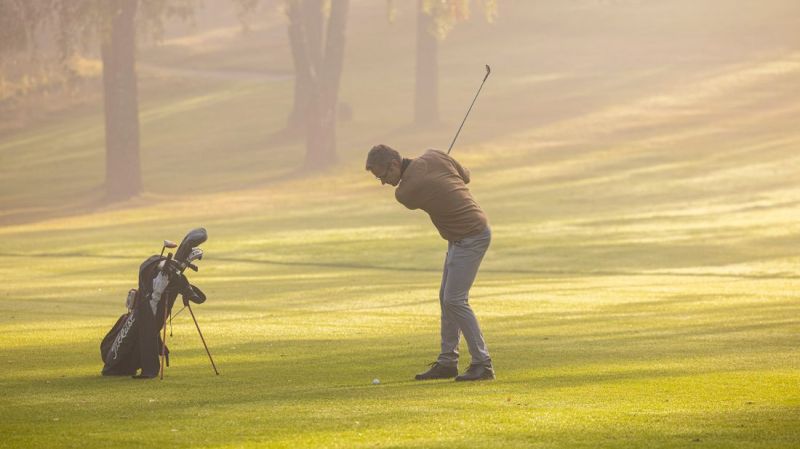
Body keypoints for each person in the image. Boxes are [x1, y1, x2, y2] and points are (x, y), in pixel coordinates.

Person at [365, 144, 494, 381]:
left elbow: (418, 189)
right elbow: (466, 177)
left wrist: (437, 170)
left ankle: (482, 364)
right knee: (446, 298)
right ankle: (448, 362)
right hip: (460, 235)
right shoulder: (435, 154)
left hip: (471, 235)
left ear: (394, 165)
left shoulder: (405, 193)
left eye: (383, 176)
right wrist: (442, 162)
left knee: (455, 300)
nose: (383, 183)